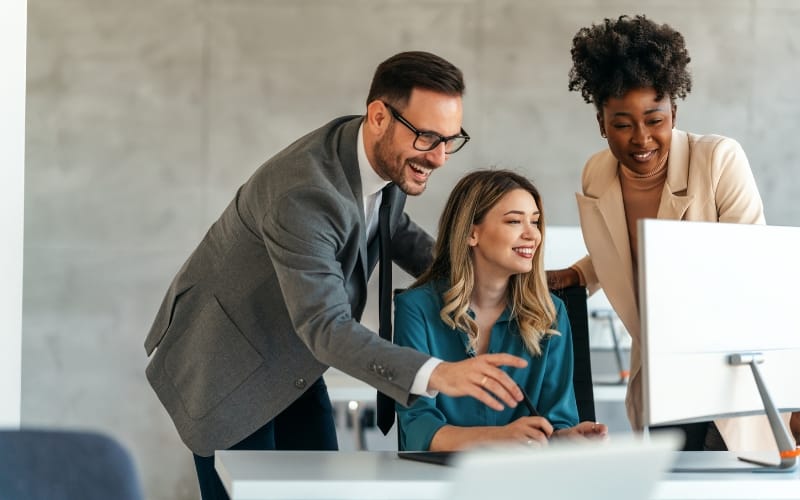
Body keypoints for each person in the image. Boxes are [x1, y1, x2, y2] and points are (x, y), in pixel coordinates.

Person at [144, 52, 532, 500]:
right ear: (380, 116)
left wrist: (483, 270)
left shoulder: (377, 152)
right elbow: (326, 327)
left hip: (291, 358)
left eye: (450, 139)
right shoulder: (304, 194)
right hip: (227, 367)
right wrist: (437, 374)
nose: (440, 158)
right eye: (428, 138)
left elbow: (393, 229)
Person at [548, 15, 798, 451]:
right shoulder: (596, 174)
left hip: (727, 370)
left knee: (732, 481)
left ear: (674, 112)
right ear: (600, 122)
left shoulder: (718, 159)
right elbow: (623, 245)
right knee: (674, 485)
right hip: (663, 375)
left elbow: (754, 268)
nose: (641, 138)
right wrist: (581, 275)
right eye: (622, 123)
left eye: (654, 119)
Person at [394, 169, 608, 451]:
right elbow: (418, 430)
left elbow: (556, 422)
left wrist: (563, 439)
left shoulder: (551, 313)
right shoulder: (416, 309)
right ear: (472, 233)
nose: (533, 235)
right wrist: (499, 437)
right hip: (440, 484)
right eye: (514, 221)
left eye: (535, 221)